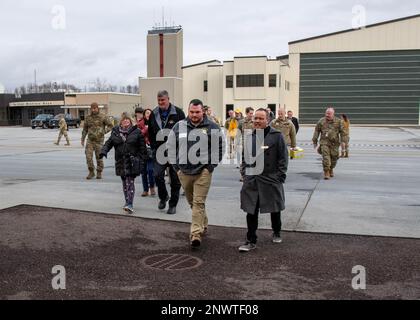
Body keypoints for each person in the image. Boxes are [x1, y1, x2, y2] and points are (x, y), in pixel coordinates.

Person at [167, 99, 224, 249]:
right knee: (193, 202)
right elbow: (171, 147)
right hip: (183, 171)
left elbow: (220, 147)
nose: (194, 115)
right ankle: (203, 223)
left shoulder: (212, 127)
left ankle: (195, 234)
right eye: (192, 112)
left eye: (197, 112)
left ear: (203, 111)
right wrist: (176, 167)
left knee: (198, 202)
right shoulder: (179, 127)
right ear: (188, 111)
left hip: (203, 171)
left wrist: (210, 166)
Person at [239, 108, 289, 252]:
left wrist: (280, 177)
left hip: (271, 178)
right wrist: (244, 174)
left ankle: (277, 230)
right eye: (256, 118)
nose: (257, 121)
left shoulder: (277, 136)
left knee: (275, 209)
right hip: (253, 179)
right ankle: (251, 240)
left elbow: (283, 158)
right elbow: (244, 158)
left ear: (267, 120)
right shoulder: (250, 136)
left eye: (261, 118)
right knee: (251, 210)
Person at [100, 113, 147, 214]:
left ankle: (130, 203)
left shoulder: (137, 132)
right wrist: (103, 151)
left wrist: (142, 160)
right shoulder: (116, 132)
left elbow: (142, 148)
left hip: (132, 162)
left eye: (127, 119)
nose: (126, 121)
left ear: (130, 121)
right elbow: (109, 143)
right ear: (120, 122)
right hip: (120, 161)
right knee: (124, 183)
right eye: (124, 120)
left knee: (130, 182)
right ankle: (127, 202)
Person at [148, 90, 186, 215]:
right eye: (158, 100)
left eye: (162, 100)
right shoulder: (154, 113)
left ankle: (173, 204)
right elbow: (151, 133)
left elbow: (184, 132)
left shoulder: (179, 113)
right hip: (159, 151)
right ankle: (163, 197)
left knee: (175, 179)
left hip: (175, 151)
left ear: (168, 99)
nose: (160, 103)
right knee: (157, 175)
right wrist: (154, 148)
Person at [81, 103, 114, 180]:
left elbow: (110, 125)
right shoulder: (88, 118)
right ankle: (91, 172)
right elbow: (85, 129)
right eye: (92, 108)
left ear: (98, 108)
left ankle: (99, 172)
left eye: (95, 108)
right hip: (90, 140)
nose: (93, 110)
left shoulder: (103, 116)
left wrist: (104, 131)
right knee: (88, 157)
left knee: (99, 157)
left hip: (99, 141)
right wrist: (82, 139)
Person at [312, 107, 347, 180]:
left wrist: (344, 142)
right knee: (326, 158)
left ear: (333, 114)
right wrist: (315, 141)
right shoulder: (321, 121)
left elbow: (344, 133)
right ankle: (326, 171)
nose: (327, 115)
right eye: (326, 113)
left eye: (329, 114)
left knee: (334, 158)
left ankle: (331, 169)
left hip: (335, 144)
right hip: (324, 143)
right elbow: (316, 131)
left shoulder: (339, 121)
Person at [135, 107, 156, 197]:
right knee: (143, 171)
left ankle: (152, 187)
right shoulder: (140, 124)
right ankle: (145, 190)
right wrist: (145, 129)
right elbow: (137, 135)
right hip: (142, 149)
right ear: (144, 114)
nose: (148, 114)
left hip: (152, 149)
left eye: (150, 113)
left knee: (150, 170)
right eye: (147, 113)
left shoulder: (155, 123)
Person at [238, 107, 254, 181]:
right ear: (246, 113)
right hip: (245, 144)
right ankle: (243, 175)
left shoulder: (254, 122)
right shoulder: (241, 122)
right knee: (244, 161)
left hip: (253, 143)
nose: (251, 115)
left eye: (252, 113)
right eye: (250, 113)